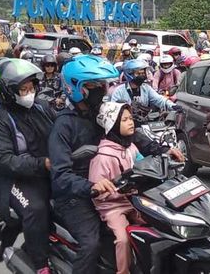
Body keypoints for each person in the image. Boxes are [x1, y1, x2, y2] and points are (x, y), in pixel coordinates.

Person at [49, 55, 184, 273]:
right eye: (94, 86)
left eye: (103, 85)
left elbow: (132, 134)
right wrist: (91, 186)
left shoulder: (103, 113)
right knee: (90, 244)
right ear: (77, 88)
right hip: (76, 196)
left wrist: (164, 150)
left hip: (117, 189)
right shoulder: (64, 126)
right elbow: (60, 174)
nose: (101, 90)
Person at [0, 58, 55, 274]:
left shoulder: (41, 107)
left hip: (48, 169)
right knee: (36, 208)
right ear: (8, 92)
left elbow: (60, 132)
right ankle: (40, 264)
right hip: (15, 179)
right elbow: (3, 160)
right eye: (23, 89)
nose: (29, 93)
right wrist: (42, 163)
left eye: (31, 88)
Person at [89, 102, 143, 274]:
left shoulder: (130, 147)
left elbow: (143, 164)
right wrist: (112, 190)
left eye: (131, 118)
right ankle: (123, 271)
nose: (130, 122)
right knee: (123, 238)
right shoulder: (103, 156)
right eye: (125, 120)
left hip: (134, 200)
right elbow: (96, 192)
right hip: (112, 206)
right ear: (112, 124)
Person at [110, 59, 176, 120]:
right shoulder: (119, 91)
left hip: (144, 122)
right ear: (129, 74)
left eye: (143, 73)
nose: (142, 76)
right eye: (138, 74)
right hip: (127, 122)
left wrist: (173, 106)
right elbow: (113, 111)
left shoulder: (146, 88)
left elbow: (159, 100)